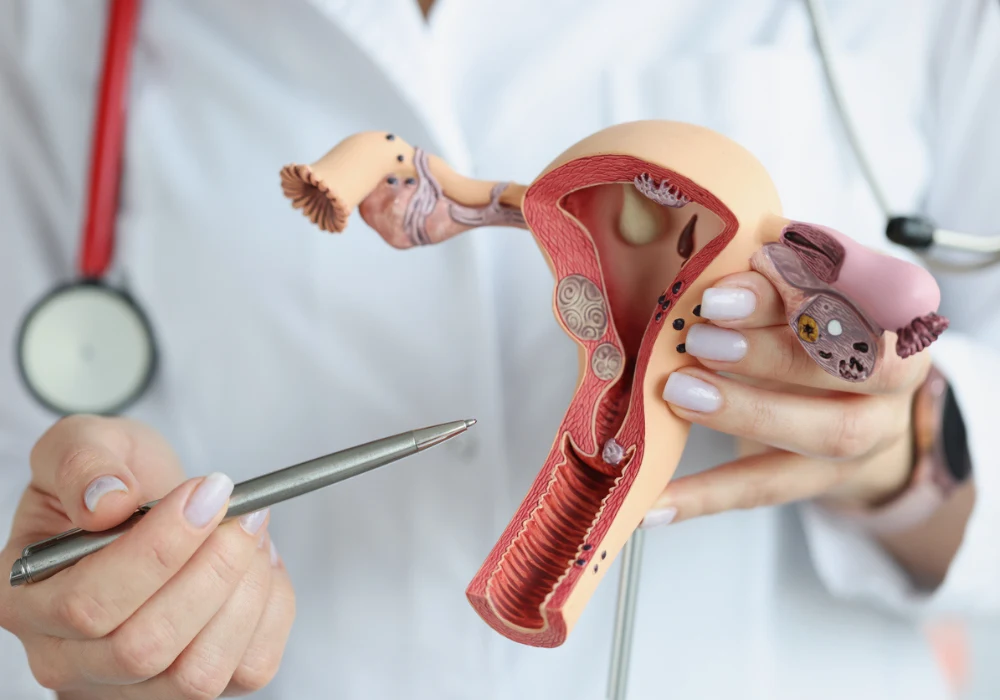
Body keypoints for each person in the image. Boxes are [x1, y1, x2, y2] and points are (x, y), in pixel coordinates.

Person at [1, 0, 998, 698]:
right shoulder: (58, 30)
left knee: (605, 440)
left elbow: (912, 315)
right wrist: (99, 620)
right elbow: (28, 493)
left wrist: (910, 451)